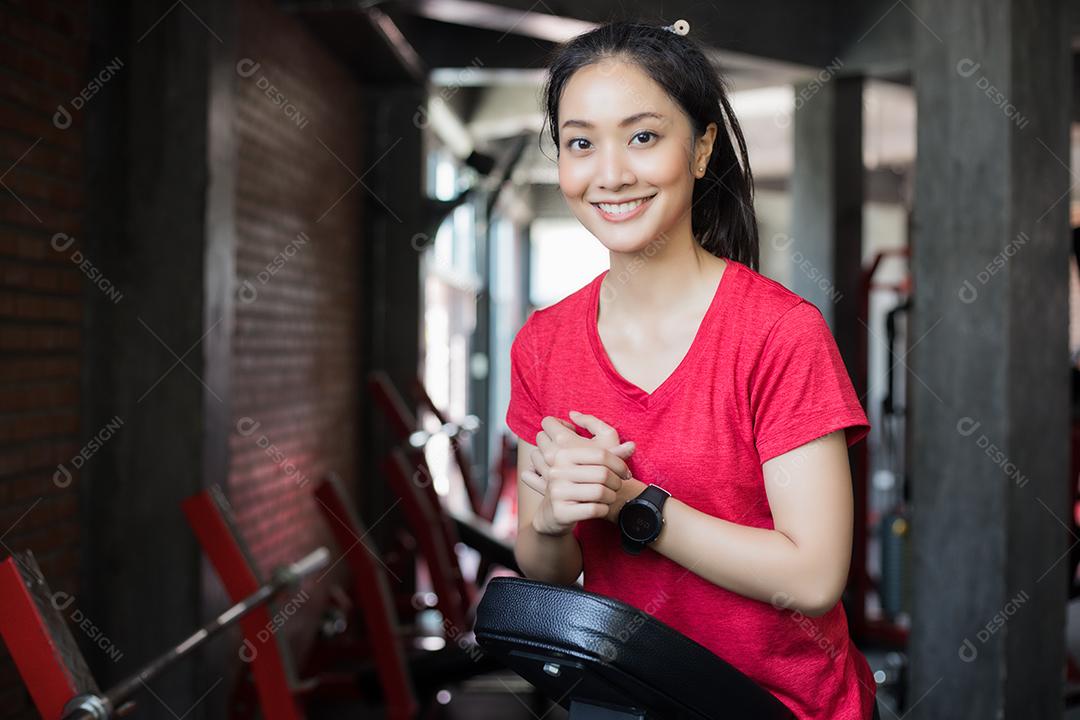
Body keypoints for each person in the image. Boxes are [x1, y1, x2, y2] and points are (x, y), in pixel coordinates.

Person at [505, 19, 881, 720]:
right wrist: (555, 519)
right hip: (626, 705)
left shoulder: (778, 333)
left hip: (776, 707)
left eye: (643, 136)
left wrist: (633, 506)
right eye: (581, 142)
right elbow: (547, 569)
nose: (610, 173)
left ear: (702, 147)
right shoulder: (542, 344)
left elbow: (813, 575)